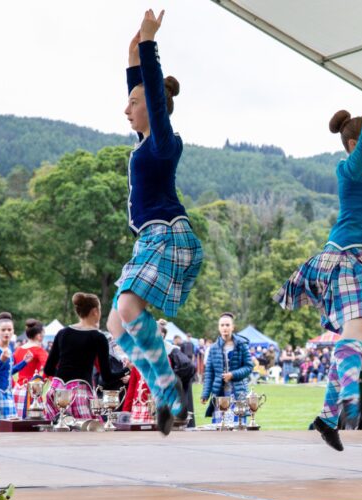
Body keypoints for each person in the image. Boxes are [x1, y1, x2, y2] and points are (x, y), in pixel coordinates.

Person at [275, 66, 362, 451]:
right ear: (355, 147)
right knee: (353, 338)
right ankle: (349, 401)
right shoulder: (350, 171)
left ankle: (326, 417)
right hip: (346, 260)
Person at [105, 9, 203, 436]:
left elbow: (149, 82)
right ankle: (162, 392)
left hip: (166, 232)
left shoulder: (164, 142)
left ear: (155, 108)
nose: (126, 107)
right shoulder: (144, 142)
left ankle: (167, 390)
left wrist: (148, 41)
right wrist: (132, 49)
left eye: (134, 102)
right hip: (147, 237)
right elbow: (139, 81)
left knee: (127, 308)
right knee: (114, 325)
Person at [43, 293, 114, 421]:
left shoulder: (62, 333)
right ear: (95, 311)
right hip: (80, 394)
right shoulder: (98, 337)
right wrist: (127, 369)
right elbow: (107, 376)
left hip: (56, 392)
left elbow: (48, 369)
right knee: (86, 435)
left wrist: (64, 380)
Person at [202, 313, 253, 423]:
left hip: (238, 392)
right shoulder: (213, 348)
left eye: (227, 325)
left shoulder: (242, 345)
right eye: (222, 325)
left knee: (238, 428)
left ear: (232, 327)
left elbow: (249, 367)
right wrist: (205, 394)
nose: (225, 328)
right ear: (219, 327)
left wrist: (233, 375)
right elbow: (209, 373)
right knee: (220, 429)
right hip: (219, 393)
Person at [0, 312, 32, 419]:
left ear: (13, 331)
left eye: (9, 330)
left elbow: (9, 372)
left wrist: (24, 362)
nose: (7, 332)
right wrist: (1, 361)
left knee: (10, 425)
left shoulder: (9, 349)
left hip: (8, 392)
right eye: (3, 330)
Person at [13, 319, 48, 386]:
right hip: (33, 389)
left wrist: (14, 384)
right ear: (39, 336)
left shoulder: (18, 350)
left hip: (19, 388)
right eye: (43, 334)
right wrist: (42, 380)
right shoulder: (39, 351)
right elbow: (48, 368)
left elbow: (9, 370)